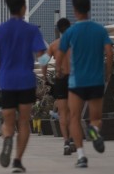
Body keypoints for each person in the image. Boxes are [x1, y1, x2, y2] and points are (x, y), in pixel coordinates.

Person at [0, 0, 47, 174]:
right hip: (26, 81)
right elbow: (42, 57)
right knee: (23, 122)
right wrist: (45, 72)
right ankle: (18, 160)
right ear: (23, 8)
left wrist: (0, 66)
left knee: (8, 120)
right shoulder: (31, 30)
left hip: (7, 81)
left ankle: (7, 138)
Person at [56, 0, 114, 169]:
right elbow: (110, 53)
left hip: (76, 82)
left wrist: (58, 70)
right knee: (95, 118)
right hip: (96, 80)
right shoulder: (100, 29)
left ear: (75, 10)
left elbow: (59, 56)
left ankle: (81, 156)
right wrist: (108, 73)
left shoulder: (70, 32)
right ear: (88, 9)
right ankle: (94, 131)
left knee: (74, 117)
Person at [44, 18, 73, 156]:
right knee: (74, 112)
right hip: (75, 78)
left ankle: (66, 141)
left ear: (59, 30)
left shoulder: (54, 45)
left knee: (62, 112)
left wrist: (44, 77)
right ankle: (73, 139)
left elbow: (43, 61)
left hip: (61, 80)